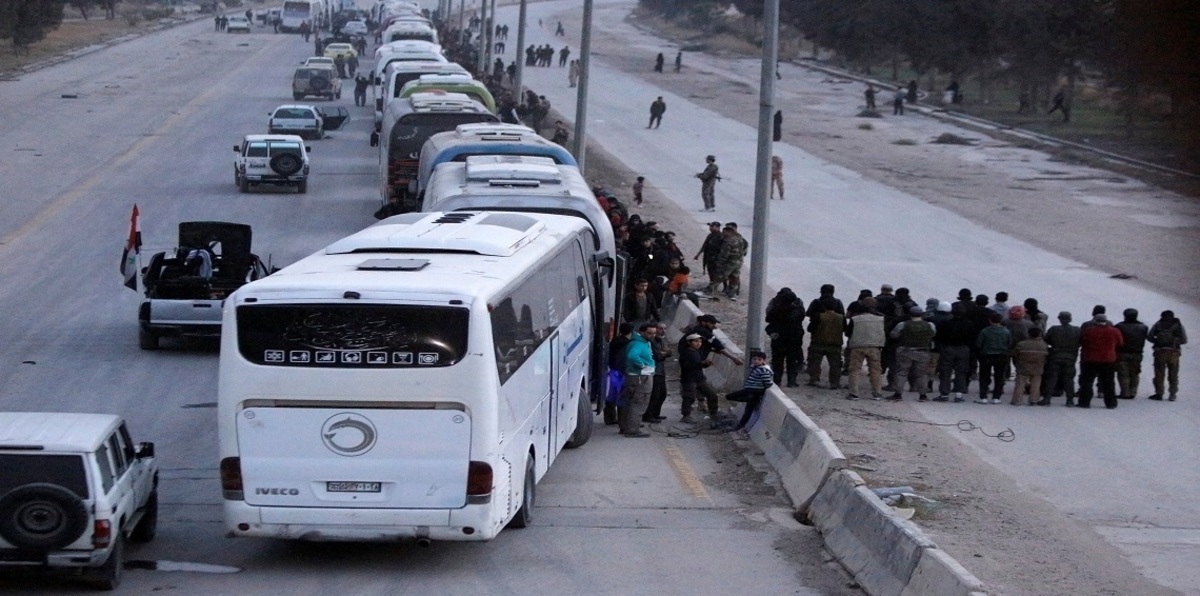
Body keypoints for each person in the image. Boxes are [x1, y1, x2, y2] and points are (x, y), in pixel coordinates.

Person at [889, 306, 935, 401]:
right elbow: (933, 334)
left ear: (910, 314)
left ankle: (898, 394)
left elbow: (893, 335)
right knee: (921, 374)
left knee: (901, 372)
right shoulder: (929, 325)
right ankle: (923, 395)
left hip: (905, 351)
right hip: (923, 352)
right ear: (922, 314)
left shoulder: (903, 324)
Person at [618, 323, 656, 437]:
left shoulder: (639, 342)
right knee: (639, 403)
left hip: (633, 376)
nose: (652, 335)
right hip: (641, 377)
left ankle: (625, 426)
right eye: (650, 333)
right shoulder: (638, 344)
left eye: (654, 333)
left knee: (628, 402)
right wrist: (642, 366)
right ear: (642, 332)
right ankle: (633, 430)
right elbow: (632, 356)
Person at [1077, 314, 1123, 409]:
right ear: (1106, 321)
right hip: (1108, 360)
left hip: (1090, 359)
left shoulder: (1089, 331)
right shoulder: (1114, 331)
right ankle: (1111, 403)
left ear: (1095, 321)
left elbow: (1083, 342)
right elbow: (1120, 343)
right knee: (1108, 382)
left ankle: (1084, 402)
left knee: (1087, 382)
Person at [934, 303, 975, 402]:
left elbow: (938, 337)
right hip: (963, 348)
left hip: (948, 348)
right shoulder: (969, 324)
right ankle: (959, 394)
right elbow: (972, 338)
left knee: (945, 371)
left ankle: (944, 394)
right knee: (961, 372)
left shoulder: (946, 323)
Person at [845, 299, 885, 400]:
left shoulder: (855, 319)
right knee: (875, 370)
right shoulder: (880, 319)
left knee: (854, 369)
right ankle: (877, 393)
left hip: (858, 346)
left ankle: (854, 393)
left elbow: (847, 333)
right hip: (875, 346)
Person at [765, 288, 805, 387]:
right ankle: (791, 381)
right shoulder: (798, 307)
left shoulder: (776, 307)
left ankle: (777, 380)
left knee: (777, 360)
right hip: (794, 336)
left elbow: (768, 318)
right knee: (792, 359)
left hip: (779, 336)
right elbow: (802, 317)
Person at [806, 287, 845, 389]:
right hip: (835, 343)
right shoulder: (840, 315)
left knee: (815, 362)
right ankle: (834, 382)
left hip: (818, 341)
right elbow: (845, 328)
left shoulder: (817, 307)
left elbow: (810, 328)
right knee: (835, 364)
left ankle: (814, 380)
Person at [1041, 311, 1081, 406]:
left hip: (1055, 356)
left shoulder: (1054, 329)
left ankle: (1047, 398)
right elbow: (1080, 342)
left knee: (1051, 378)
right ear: (1070, 319)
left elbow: (1046, 340)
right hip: (1070, 357)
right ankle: (1070, 400)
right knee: (1069, 379)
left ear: (1059, 319)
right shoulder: (1077, 330)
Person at [727, 351, 773, 431]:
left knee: (748, 411)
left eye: (759, 359)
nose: (756, 361)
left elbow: (767, 382)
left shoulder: (763, 370)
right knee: (729, 396)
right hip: (749, 390)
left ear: (764, 361)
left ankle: (740, 425)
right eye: (755, 359)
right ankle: (749, 400)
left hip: (755, 391)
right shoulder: (754, 367)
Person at [1148, 310, 1187, 401]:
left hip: (1160, 352)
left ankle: (1159, 393)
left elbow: (1150, 336)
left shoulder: (1158, 324)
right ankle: (1172, 394)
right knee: (1173, 374)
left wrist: (1157, 342)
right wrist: (1176, 343)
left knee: (1159, 373)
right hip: (1174, 353)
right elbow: (1184, 340)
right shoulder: (1178, 325)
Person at [678, 333, 716, 424]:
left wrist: (705, 364)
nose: (699, 343)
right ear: (689, 342)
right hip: (689, 379)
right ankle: (686, 416)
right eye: (696, 341)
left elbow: (699, 364)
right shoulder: (685, 353)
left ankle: (714, 414)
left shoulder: (697, 352)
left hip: (699, 378)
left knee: (712, 395)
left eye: (700, 341)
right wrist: (701, 363)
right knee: (689, 397)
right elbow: (686, 366)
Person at [975, 312, 1012, 404]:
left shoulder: (984, 331)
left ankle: (983, 396)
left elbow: (978, 344)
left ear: (990, 321)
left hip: (986, 355)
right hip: (1001, 355)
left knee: (984, 376)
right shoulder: (1006, 331)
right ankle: (996, 397)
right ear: (1001, 321)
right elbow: (1009, 343)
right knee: (999, 377)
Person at [641, 322, 673, 423]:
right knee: (655, 394)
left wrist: (665, 353)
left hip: (661, 370)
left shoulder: (661, 341)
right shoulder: (652, 342)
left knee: (662, 394)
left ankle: (655, 413)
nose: (662, 331)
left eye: (664, 329)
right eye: (660, 329)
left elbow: (670, 352)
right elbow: (658, 356)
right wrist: (664, 353)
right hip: (654, 371)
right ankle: (648, 415)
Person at [604, 323, 634, 425]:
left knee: (612, 395)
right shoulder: (627, 343)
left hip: (613, 370)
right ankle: (623, 420)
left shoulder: (615, 341)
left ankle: (609, 418)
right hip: (621, 371)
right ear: (631, 331)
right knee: (622, 395)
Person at [1114, 308, 1148, 399]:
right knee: (1135, 373)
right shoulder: (1143, 327)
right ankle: (1133, 391)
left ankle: (1125, 392)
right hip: (1137, 353)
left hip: (1123, 353)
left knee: (1123, 373)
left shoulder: (1119, 326)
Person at [1011, 327, 1048, 406]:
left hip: (1023, 366)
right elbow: (1046, 356)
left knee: (1020, 383)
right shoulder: (1043, 345)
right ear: (1039, 334)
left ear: (1028, 334)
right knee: (1036, 384)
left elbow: (1015, 355)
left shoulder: (1021, 344)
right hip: (1037, 367)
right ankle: (1033, 399)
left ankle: (1017, 400)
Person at [713, 223, 747, 299]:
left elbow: (724, 254)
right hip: (738, 261)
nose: (723, 233)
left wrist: (719, 263)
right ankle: (732, 293)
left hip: (730, 262)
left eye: (724, 231)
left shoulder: (729, 241)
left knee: (720, 276)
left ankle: (710, 289)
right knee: (734, 277)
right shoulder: (740, 239)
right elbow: (744, 250)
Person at [694, 221, 724, 291]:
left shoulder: (721, 236)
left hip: (716, 258)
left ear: (718, 227)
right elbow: (705, 245)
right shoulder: (710, 235)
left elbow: (723, 249)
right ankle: (711, 284)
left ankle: (716, 286)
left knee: (716, 272)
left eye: (712, 226)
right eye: (710, 226)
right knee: (710, 271)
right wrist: (698, 254)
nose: (710, 228)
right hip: (709, 257)